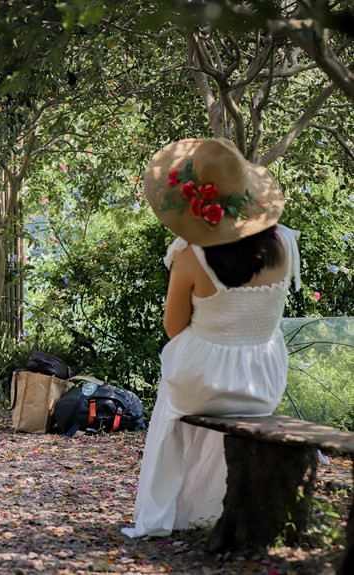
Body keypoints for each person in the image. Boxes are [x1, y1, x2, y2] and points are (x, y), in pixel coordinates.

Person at [122, 138, 301, 538]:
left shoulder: (190, 257)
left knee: (171, 398)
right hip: (262, 380)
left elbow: (174, 329)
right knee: (187, 383)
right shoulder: (286, 244)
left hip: (202, 379)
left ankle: (164, 514)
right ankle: (210, 506)